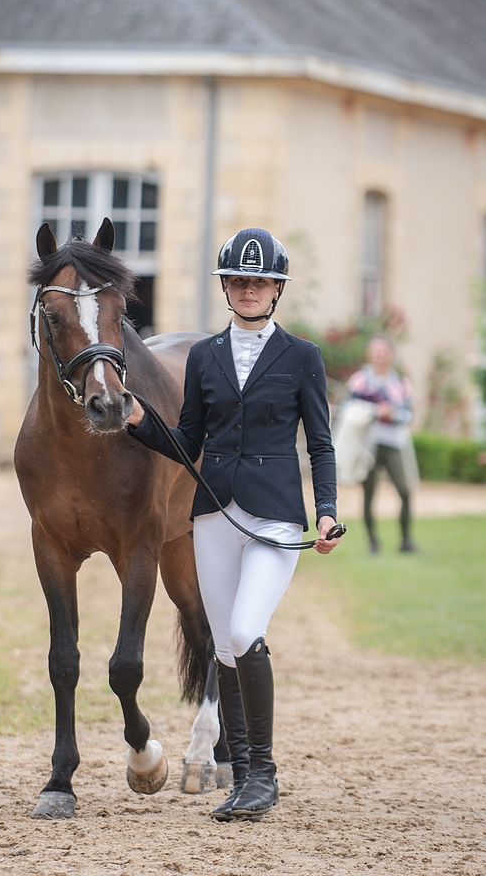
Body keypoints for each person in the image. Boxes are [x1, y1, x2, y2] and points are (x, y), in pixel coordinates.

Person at [126, 228, 340, 821]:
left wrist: (326, 508)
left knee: (246, 632)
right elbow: (189, 439)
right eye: (239, 281)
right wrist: (141, 421)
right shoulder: (204, 356)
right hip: (215, 516)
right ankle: (243, 777)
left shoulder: (303, 357)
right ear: (227, 287)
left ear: (276, 290)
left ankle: (264, 775)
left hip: (274, 518)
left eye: (260, 281)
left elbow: (320, 443)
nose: (249, 290)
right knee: (222, 646)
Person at [346, 336, 417, 554]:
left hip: (394, 443)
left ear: (391, 355)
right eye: (376, 351)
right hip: (368, 444)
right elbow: (349, 412)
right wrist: (375, 412)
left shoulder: (401, 383)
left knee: (405, 490)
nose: (379, 356)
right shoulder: (360, 381)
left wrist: (393, 414)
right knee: (369, 492)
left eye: (383, 351)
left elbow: (409, 414)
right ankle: (372, 542)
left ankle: (406, 540)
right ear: (370, 354)